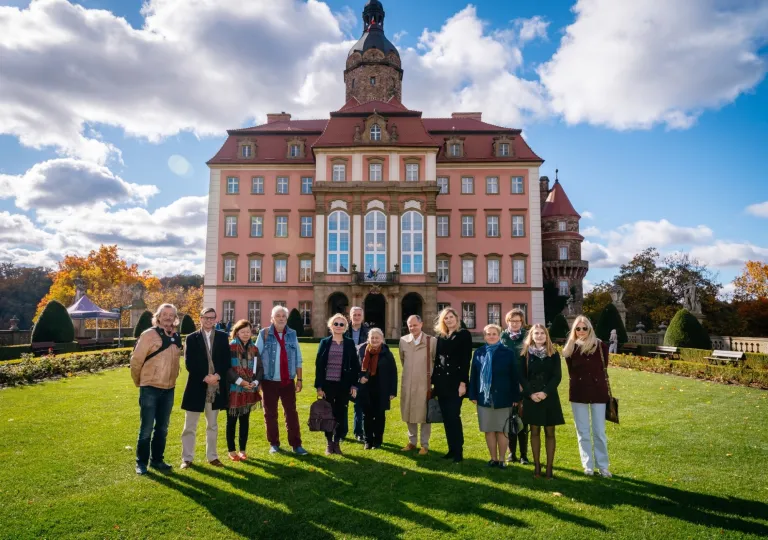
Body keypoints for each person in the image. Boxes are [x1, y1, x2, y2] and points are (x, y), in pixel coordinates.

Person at [130, 303, 182, 475]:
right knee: (146, 428)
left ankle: (157, 460)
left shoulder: (176, 336)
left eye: (171, 315)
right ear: (158, 316)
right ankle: (141, 462)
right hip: (150, 387)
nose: (168, 317)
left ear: (175, 318)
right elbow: (136, 361)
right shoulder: (148, 335)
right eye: (164, 314)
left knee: (162, 428)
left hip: (169, 389)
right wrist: (140, 382)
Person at [180, 307, 231, 469]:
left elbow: (226, 361)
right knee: (190, 426)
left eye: (212, 318)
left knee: (213, 425)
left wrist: (216, 376)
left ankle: (213, 457)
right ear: (200, 318)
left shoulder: (223, 337)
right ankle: (187, 458)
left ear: (216, 319)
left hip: (215, 387)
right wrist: (205, 377)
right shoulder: (191, 338)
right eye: (206, 317)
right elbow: (189, 363)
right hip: (196, 386)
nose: (209, 320)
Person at [255, 306, 308, 456]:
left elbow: (298, 358)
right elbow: (256, 357)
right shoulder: (264, 334)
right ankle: (274, 444)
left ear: (286, 318)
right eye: (277, 316)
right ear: (272, 318)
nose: (281, 318)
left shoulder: (292, 334)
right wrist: (257, 380)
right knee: (270, 414)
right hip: (269, 381)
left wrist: (300, 379)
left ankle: (296, 444)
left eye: (283, 316)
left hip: (287, 381)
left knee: (291, 413)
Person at [563, 315, 612, 477]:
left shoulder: (600, 345)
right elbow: (571, 371)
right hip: (578, 392)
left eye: (585, 328)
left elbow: (604, 367)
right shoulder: (570, 348)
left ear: (590, 328)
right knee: (582, 431)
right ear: (574, 330)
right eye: (578, 328)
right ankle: (588, 465)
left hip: (598, 391)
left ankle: (603, 466)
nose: (581, 331)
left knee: (599, 431)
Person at [468, 324, 520, 469]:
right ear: (484, 336)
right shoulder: (478, 352)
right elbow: (473, 376)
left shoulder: (507, 353)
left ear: (499, 335)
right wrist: (472, 394)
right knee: (489, 429)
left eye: (494, 334)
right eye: (488, 334)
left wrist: (516, 398)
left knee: (502, 430)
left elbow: (514, 377)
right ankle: (493, 458)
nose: (491, 336)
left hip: (504, 397)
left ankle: (502, 459)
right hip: (484, 398)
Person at [519, 324, 565, 479]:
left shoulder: (553, 354)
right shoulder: (525, 354)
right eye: (536, 333)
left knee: (550, 432)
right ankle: (537, 466)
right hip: (531, 397)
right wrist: (531, 394)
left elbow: (557, 376)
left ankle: (549, 468)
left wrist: (545, 393)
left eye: (542, 333)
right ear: (531, 336)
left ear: (547, 336)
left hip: (549, 397)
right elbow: (522, 377)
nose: (539, 336)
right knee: (535, 431)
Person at [432, 307, 472, 463]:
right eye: (445, 318)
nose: (448, 320)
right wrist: (433, 382)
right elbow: (437, 361)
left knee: (454, 416)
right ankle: (451, 449)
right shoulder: (441, 336)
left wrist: (463, 383)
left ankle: (458, 451)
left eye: (451, 317)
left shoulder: (464, 335)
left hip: (456, 383)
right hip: (442, 383)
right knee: (446, 418)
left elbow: (465, 360)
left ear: (457, 318)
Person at [315, 314, 359, 455]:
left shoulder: (350, 343)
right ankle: (329, 443)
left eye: (342, 324)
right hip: (328, 384)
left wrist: (354, 385)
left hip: (343, 385)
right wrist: (319, 386)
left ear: (345, 327)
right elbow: (319, 365)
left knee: (341, 413)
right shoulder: (325, 342)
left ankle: (337, 442)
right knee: (328, 414)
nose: (338, 326)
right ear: (331, 326)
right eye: (336, 324)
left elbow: (355, 366)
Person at [398, 315, 436, 455]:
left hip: (424, 383)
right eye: (410, 325)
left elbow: (434, 360)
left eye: (415, 325)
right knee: (409, 412)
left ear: (421, 324)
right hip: (408, 382)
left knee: (425, 414)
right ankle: (412, 442)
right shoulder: (403, 341)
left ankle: (424, 445)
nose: (412, 328)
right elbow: (403, 360)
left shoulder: (431, 341)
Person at [226, 320, 263, 461]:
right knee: (231, 422)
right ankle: (231, 451)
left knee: (245, 422)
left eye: (248, 331)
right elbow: (227, 369)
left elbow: (259, 368)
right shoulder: (231, 347)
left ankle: (242, 450)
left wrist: (255, 382)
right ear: (236, 333)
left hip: (249, 390)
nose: (246, 334)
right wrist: (240, 382)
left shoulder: (254, 349)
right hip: (234, 389)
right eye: (242, 332)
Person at [356, 328, 397, 449]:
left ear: (382, 339)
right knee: (366, 415)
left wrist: (392, 391)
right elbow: (356, 367)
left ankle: (378, 441)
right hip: (366, 388)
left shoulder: (387, 352)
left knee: (379, 415)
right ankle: (368, 440)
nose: (374, 340)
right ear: (368, 338)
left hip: (382, 389)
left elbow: (393, 373)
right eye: (372, 338)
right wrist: (360, 377)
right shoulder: (362, 350)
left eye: (377, 338)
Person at [500, 308, 530, 465]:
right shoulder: (503, 337)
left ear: (522, 322)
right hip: (507, 384)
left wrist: (523, 384)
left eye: (518, 321)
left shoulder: (527, 337)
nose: (515, 323)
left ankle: (524, 454)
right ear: (508, 322)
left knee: (523, 419)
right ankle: (512, 452)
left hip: (523, 383)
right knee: (510, 419)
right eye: (512, 321)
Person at [344, 306, 369, 442]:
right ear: (350, 316)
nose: (357, 317)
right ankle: (342, 432)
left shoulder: (368, 332)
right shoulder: (343, 329)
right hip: (345, 370)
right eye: (354, 314)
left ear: (362, 317)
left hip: (361, 370)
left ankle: (358, 432)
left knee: (359, 403)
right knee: (343, 402)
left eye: (359, 315)